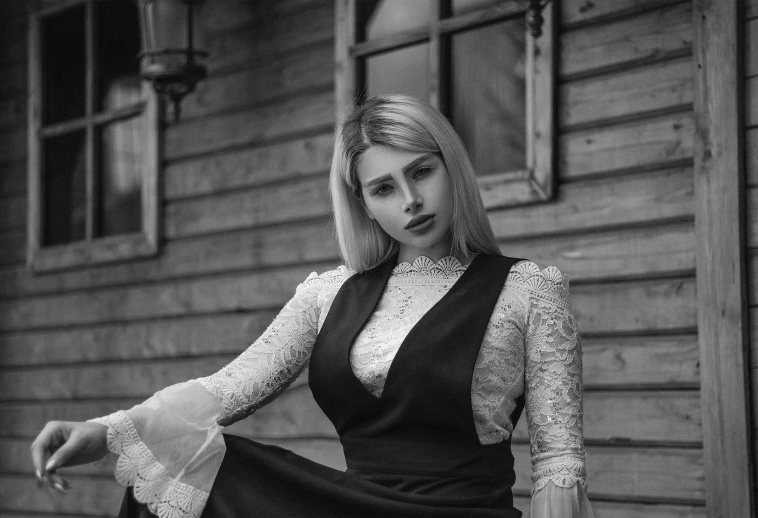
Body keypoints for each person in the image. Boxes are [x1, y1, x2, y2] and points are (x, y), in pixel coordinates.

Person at [31, 94, 594, 518]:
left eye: (422, 172)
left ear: (453, 168)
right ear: (364, 205)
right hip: (352, 505)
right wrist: (108, 430)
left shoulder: (529, 290)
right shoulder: (328, 293)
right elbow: (231, 387)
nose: (411, 201)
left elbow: (558, 460)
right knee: (188, 469)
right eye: (383, 188)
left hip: (465, 512)